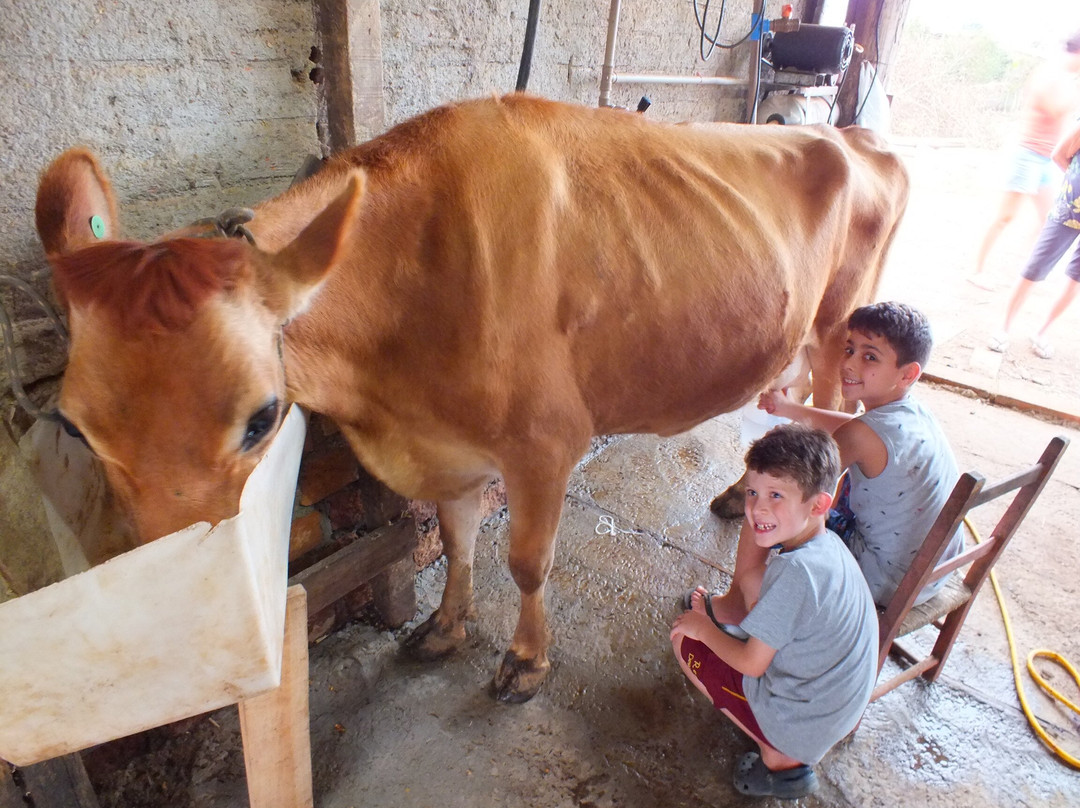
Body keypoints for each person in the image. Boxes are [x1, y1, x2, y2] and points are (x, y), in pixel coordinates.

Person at [710, 302, 962, 616]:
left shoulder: (861, 436)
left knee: (767, 494)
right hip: (933, 570)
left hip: (884, 581)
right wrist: (790, 410)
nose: (849, 364)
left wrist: (766, 481)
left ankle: (735, 604)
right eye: (849, 349)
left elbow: (798, 477)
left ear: (907, 374)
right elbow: (852, 427)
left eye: (870, 357)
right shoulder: (913, 412)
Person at [671, 424, 877, 799]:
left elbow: (752, 664)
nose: (757, 508)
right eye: (752, 492)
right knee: (753, 588)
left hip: (800, 726)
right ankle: (782, 741)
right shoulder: (826, 546)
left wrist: (704, 629)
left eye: (776, 495)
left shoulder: (796, 574)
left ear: (818, 505)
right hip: (838, 706)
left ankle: (779, 762)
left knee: (684, 640)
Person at [969, 31, 1080, 290]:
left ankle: (1020, 272)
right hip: (1028, 155)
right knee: (1005, 216)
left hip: (1047, 160)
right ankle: (977, 270)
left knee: (1044, 219)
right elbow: (1056, 109)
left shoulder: (1066, 79)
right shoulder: (1048, 75)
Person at [988, 116, 1080, 359]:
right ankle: (1003, 327)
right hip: (1068, 210)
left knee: (1076, 278)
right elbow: (1060, 155)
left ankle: (1042, 333)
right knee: (1035, 267)